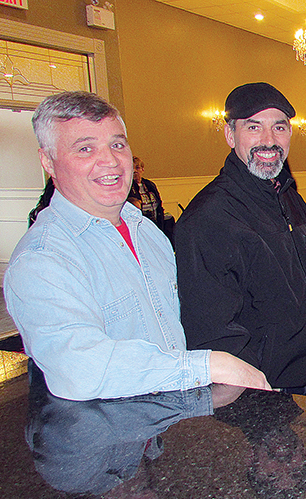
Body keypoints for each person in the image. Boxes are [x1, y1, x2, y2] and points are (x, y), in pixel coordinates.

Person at [3, 91, 269, 401]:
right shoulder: (42, 259)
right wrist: (208, 365)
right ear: (47, 161)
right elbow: (82, 371)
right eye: (85, 148)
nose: (110, 161)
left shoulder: (145, 232)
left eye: (117, 145)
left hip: (171, 423)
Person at [175, 82, 306, 396]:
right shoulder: (210, 216)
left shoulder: (288, 198)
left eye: (279, 127)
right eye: (254, 127)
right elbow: (212, 332)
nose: (269, 140)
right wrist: (254, 399)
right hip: (256, 394)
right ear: (231, 135)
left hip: (300, 386)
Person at [128, 156, 165, 230]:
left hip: (155, 223)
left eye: (137, 168)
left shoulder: (150, 185)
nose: (135, 171)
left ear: (142, 169)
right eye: (132, 168)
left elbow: (159, 207)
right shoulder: (127, 187)